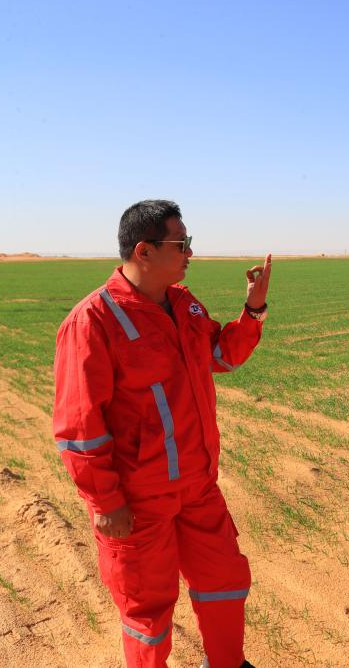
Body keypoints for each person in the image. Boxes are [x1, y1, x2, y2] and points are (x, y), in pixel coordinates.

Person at [52, 200, 272, 668]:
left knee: (225, 581)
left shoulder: (184, 304)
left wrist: (253, 309)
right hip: (138, 501)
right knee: (147, 611)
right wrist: (106, 501)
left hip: (198, 486)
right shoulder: (93, 321)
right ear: (144, 251)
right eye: (181, 243)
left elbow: (222, 355)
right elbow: (79, 428)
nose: (190, 252)